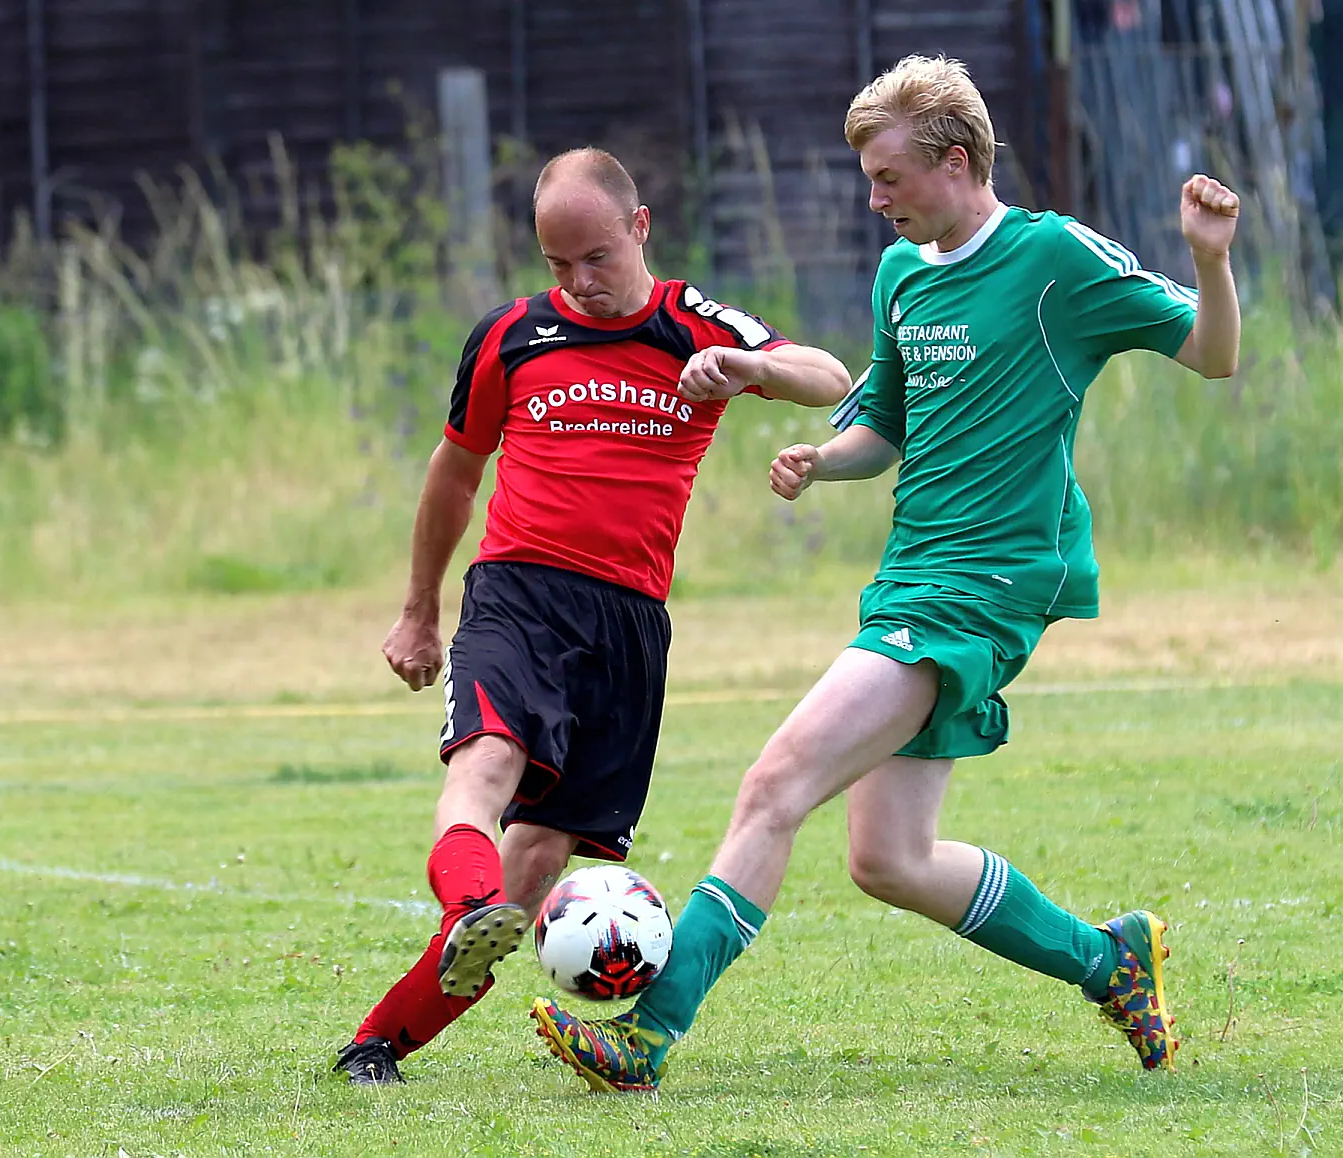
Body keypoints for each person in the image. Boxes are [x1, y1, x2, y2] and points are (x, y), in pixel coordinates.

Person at [530, 55, 1241, 1092]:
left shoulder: (1054, 260)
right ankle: (1111, 961)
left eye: (888, 178)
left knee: (775, 784)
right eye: (868, 179)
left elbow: (1215, 355)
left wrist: (1210, 261)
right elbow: (885, 427)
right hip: (913, 576)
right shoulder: (902, 274)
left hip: (985, 586)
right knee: (890, 858)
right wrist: (824, 459)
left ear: (955, 161)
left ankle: (646, 1038)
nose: (874, 200)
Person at [332, 147, 852, 1084]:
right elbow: (455, 475)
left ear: (640, 227)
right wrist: (418, 612)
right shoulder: (511, 336)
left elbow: (829, 376)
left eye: (597, 257)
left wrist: (742, 365)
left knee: (535, 864)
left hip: (628, 626)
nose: (579, 281)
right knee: (485, 765)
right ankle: (465, 912)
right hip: (518, 594)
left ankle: (381, 1043)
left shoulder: (695, 325)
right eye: (558, 262)